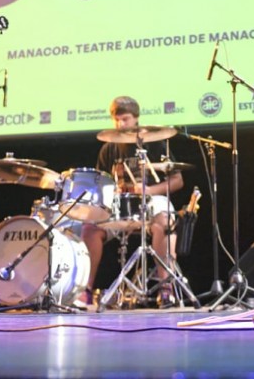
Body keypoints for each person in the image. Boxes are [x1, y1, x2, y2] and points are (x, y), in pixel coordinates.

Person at [78, 96, 184, 308]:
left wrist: (149, 190)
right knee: (90, 229)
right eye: (117, 120)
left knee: (164, 222)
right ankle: (85, 290)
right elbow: (101, 184)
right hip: (120, 205)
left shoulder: (155, 143)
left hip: (153, 200)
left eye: (125, 119)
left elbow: (177, 181)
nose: (120, 124)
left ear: (136, 118)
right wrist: (113, 190)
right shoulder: (109, 149)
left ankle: (166, 288)